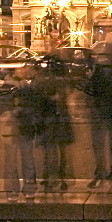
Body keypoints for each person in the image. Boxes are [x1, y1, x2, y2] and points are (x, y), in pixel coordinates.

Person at [86, 43, 112, 189]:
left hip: (104, 112)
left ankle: (104, 173)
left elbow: (92, 92)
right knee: (111, 144)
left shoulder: (102, 72)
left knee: (102, 144)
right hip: (109, 112)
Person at [0, 70, 39, 201]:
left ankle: (13, 191)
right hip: (17, 129)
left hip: (16, 129)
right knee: (22, 160)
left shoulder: (23, 87)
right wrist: (16, 113)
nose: (24, 70)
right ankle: (26, 189)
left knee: (16, 161)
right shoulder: (11, 88)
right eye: (21, 68)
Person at [36, 55, 74, 192]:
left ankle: (49, 178)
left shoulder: (44, 79)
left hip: (49, 117)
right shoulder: (63, 80)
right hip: (60, 117)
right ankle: (61, 177)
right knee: (60, 150)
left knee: (49, 150)